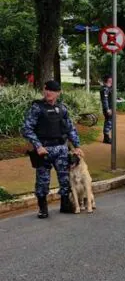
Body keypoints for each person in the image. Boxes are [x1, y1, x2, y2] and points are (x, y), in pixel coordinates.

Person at [22, 80, 83, 218]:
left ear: (58, 93)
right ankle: (43, 208)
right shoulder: (37, 108)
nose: (48, 92)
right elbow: (26, 128)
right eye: (46, 89)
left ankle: (65, 204)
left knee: (65, 179)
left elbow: (70, 128)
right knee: (43, 181)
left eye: (52, 90)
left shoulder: (62, 108)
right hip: (44, 150)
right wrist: (38, 146)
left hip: (61, 148)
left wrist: (77, 146)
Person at [100, 74, 113, 144]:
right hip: (108, 109)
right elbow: (104, 100)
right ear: (108, 80)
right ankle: (106, 138)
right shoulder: (105, 89)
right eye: (110, 80)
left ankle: (107, 137)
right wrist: (107, 109)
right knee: (108, 123)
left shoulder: (108, 88)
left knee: (109, 122)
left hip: (110, 108)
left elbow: (110, 98)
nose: (112, 81)